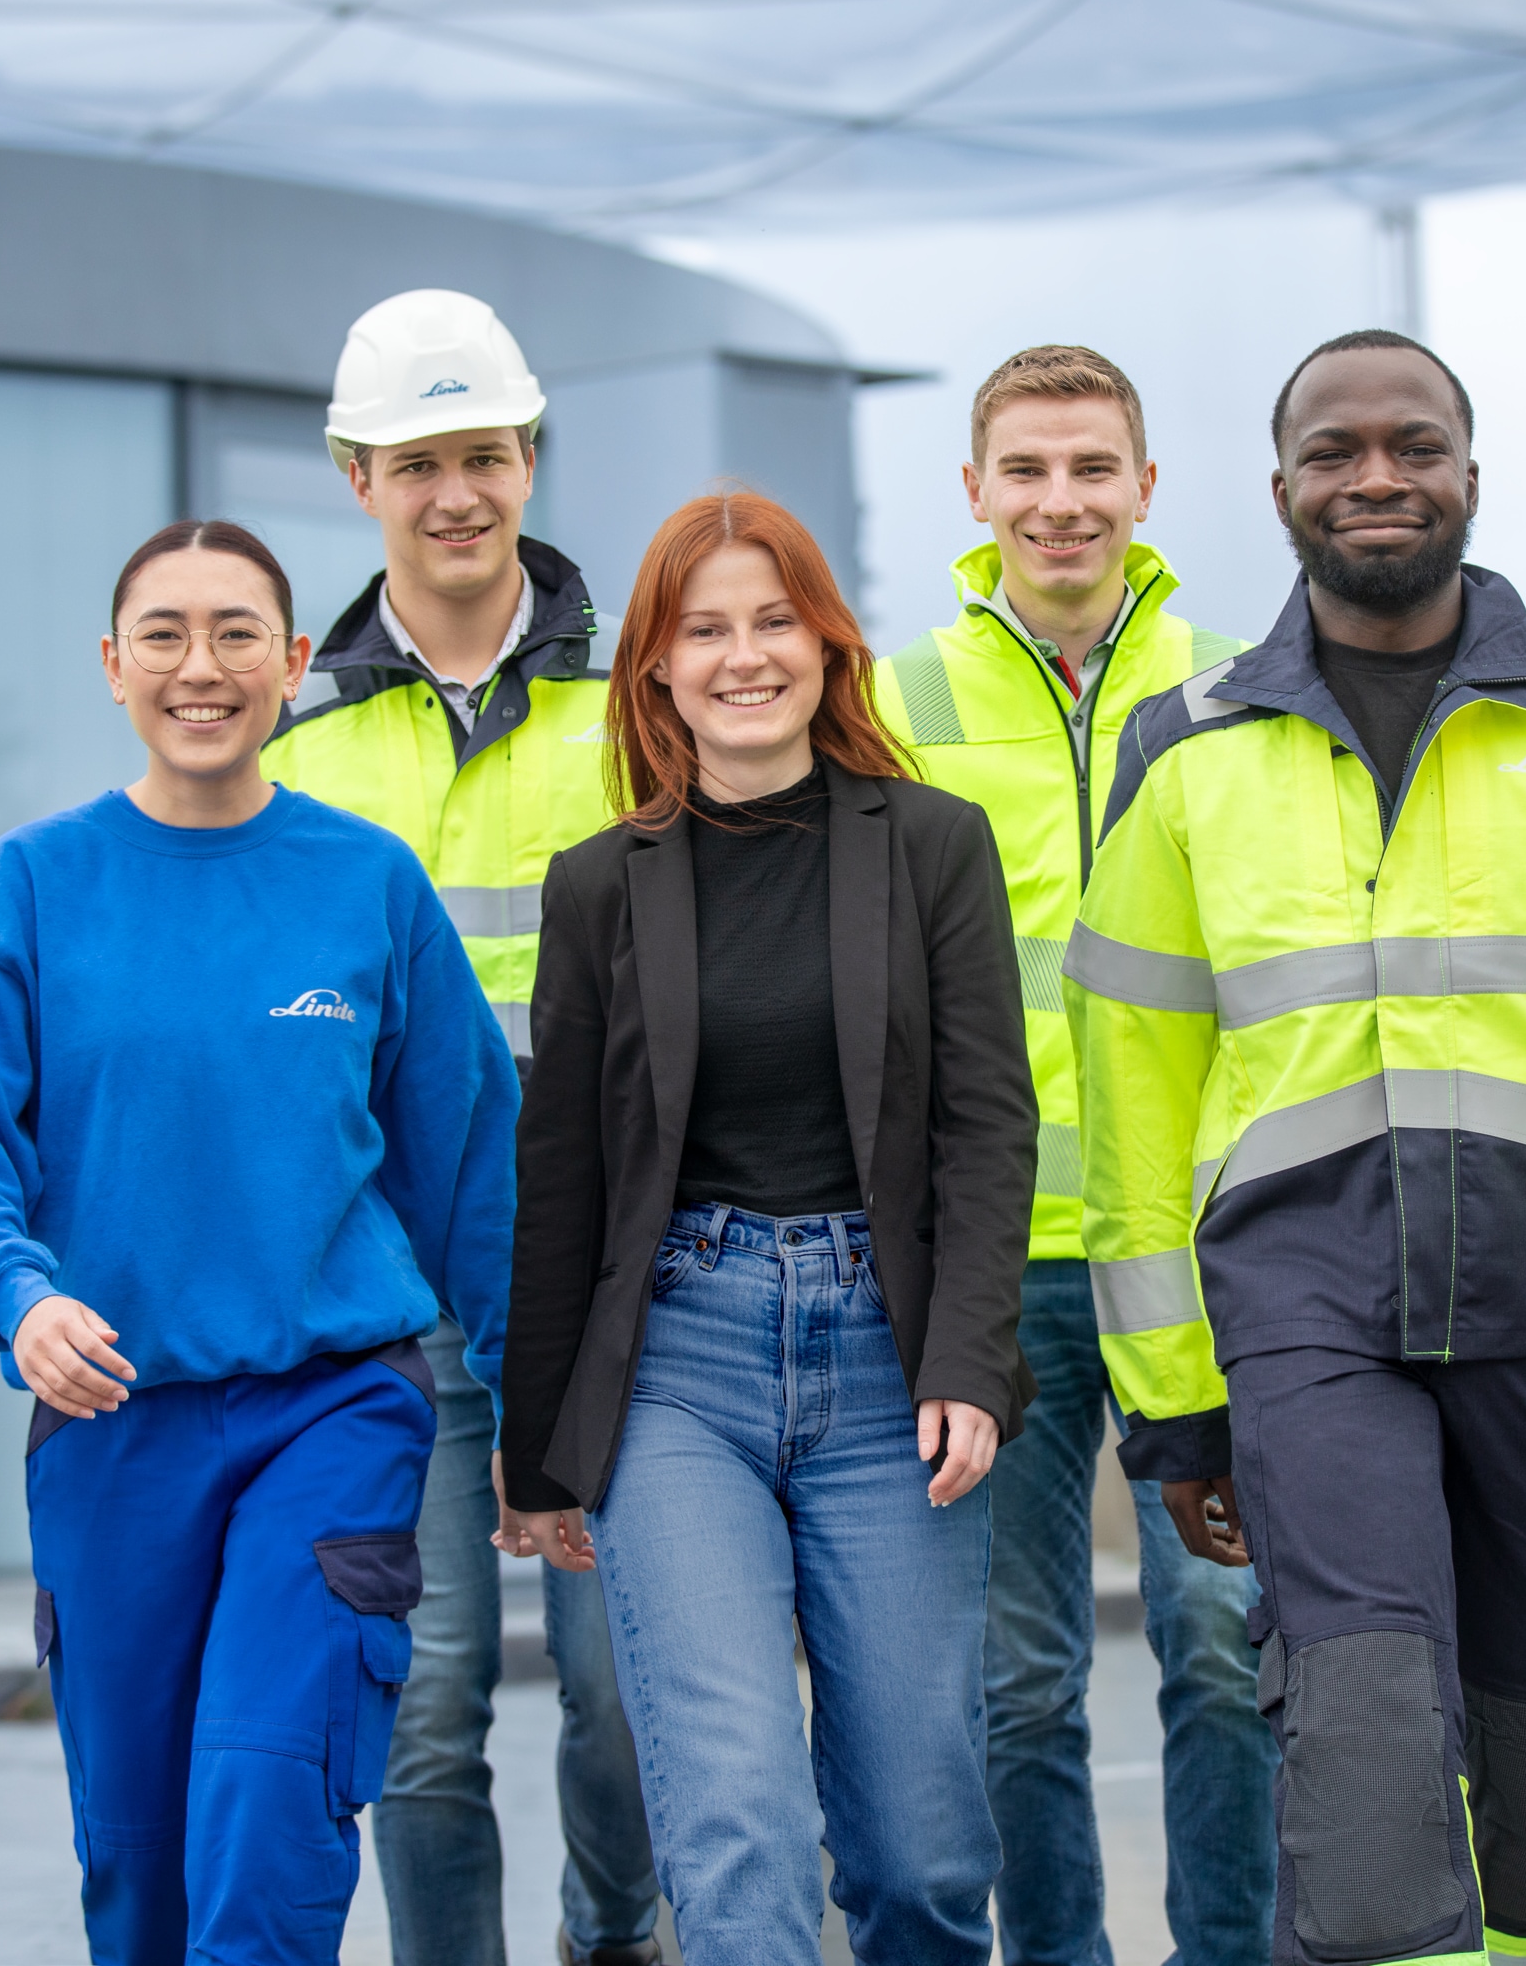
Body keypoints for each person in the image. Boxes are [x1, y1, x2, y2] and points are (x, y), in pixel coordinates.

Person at [1071, 331, 1526, 1966]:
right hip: (1306, 1318)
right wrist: (1174, 1401)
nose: (1375, 476)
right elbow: (1136, 1094)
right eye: (1335, 452)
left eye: (1414, 446)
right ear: (1280, 491)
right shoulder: (1184, 748)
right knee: (1370, 1753)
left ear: (1470, 474)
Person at [0, 519, 517, 1966]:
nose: (202, 665)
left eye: (239, 632)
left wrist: (530, 1416)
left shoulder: (366, 887)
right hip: (110, 1427)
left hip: (334, 1407)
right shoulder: (27, 897)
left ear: (294, 665)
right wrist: (16, 1296)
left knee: (264, 1815)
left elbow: (470, 1166)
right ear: (112, 667)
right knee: (141, 1868)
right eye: (164, 634)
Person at [499, 490, 1038, 1966]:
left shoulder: (931, 846)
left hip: (892, 1362)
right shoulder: (603, 885)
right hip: (681, 1360)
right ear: (656, 666)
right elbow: (564, 1177)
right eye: (704, 628)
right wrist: (539, 1447)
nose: (745, 656)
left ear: (825, 642)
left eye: (774, 620)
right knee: (736, 1836)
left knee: (923, 1860)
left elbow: (987, 1124)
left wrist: (972, 1364)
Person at [260, 288, 661, 1966]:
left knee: (622, 1689)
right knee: (420, 1709)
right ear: (357, 476)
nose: (457, 495)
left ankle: (618, 1935)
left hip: (606, 1276)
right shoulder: (294, 731)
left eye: (485, 455)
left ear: (528, 457)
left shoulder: (642, 698)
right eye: (418, 462)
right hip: (391, 1297)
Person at [872, 343, 1273, 1966]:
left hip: (1211, 1246)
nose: (1060, 502)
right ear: (974, 493)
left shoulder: (1246, 686)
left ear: (1145, 489)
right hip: (1005, 1258)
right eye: (1025, 471)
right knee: (1017, 1678)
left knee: (1231, 1648)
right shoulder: (893, 707)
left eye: (1091, 468)